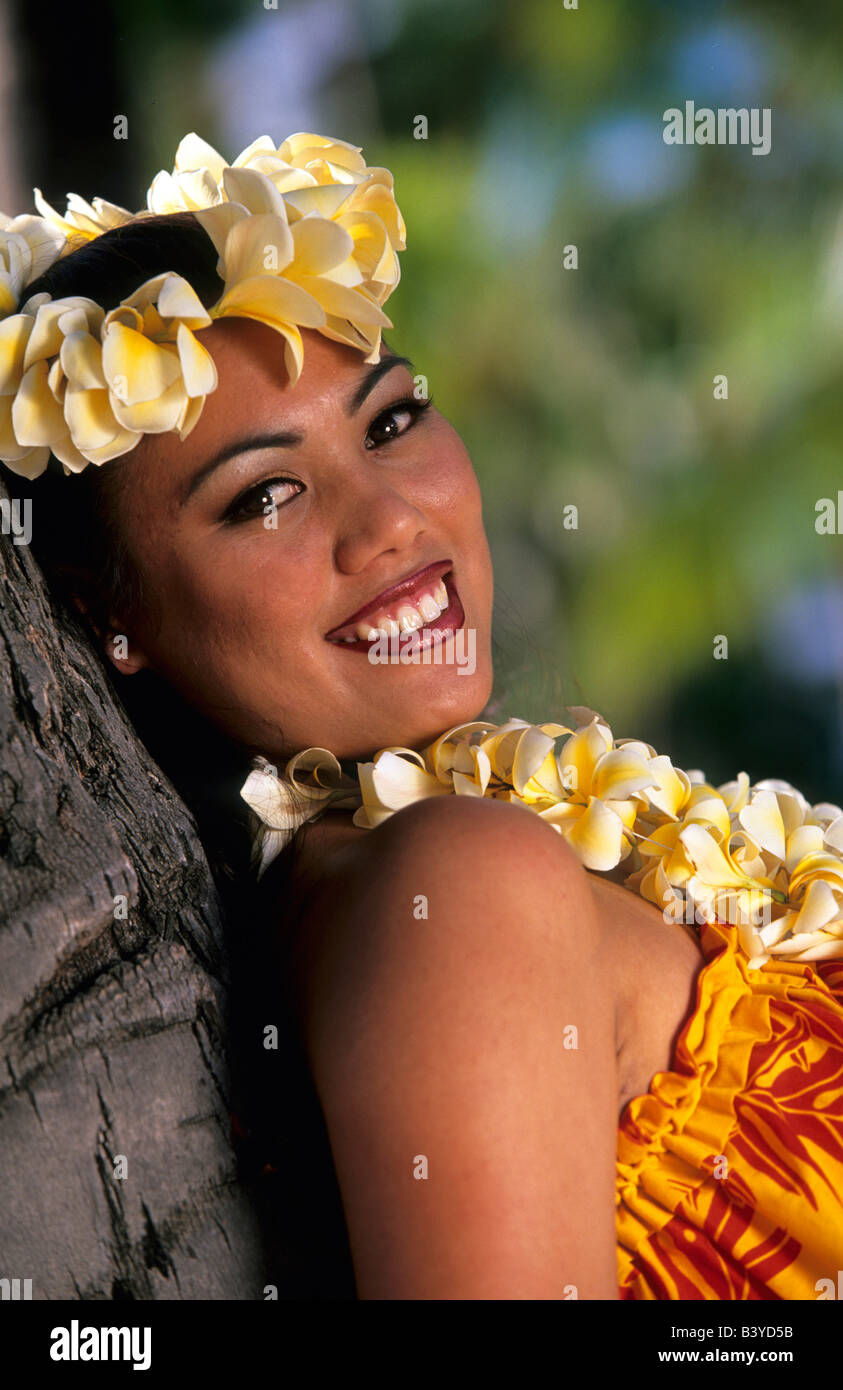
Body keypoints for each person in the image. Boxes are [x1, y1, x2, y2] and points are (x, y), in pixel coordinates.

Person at [2, 130, 842, 1301]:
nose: (390, 518)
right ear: (109, 625)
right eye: (265, 496)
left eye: (390, 421)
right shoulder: (451, 894)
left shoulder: (481, 846)